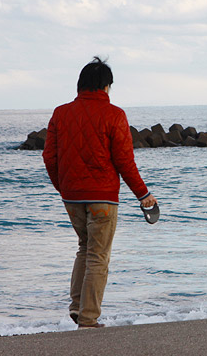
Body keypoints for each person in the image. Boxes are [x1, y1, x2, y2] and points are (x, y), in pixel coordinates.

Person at [43, 57, 157, 329]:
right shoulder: (115, 115)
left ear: (81, 84)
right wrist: (143, 195)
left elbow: (49, 156)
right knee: (98, 255)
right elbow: (124, 161)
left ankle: (77, 307)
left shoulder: (60, 113)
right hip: (103, 197)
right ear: (106, 86)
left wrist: (63, 186)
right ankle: (89, 318)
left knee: (85, 247)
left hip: (71, 196)